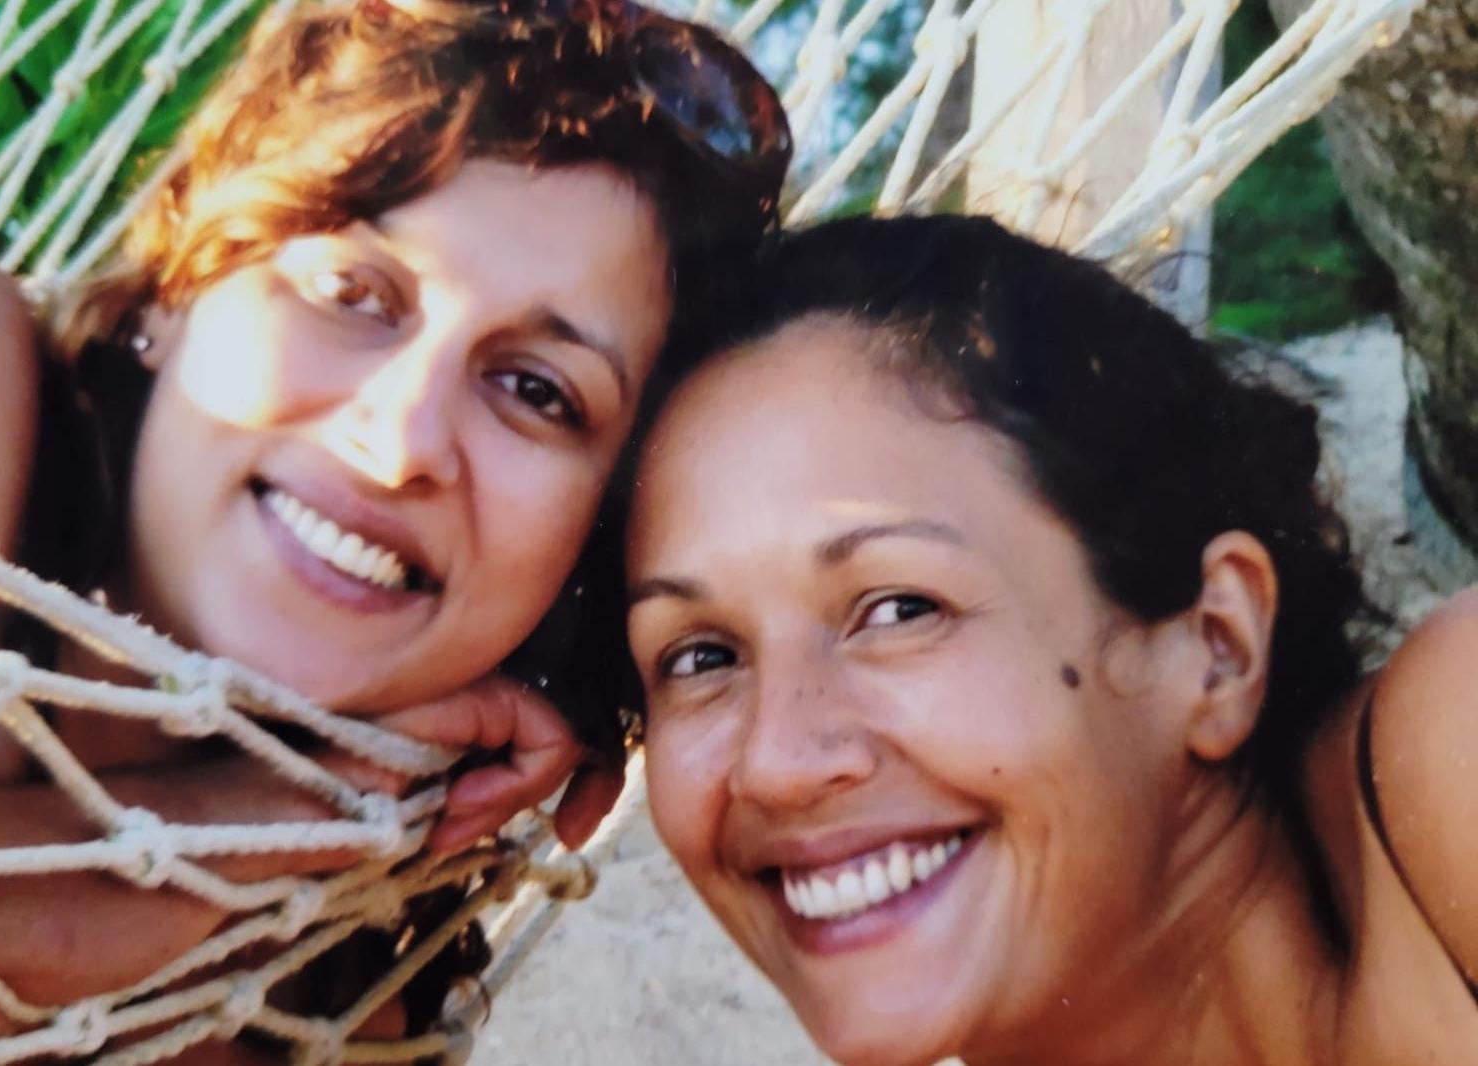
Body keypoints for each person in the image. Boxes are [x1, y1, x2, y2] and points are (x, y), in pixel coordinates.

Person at [0, 0, 788, 1052]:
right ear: (174, 288)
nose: (399, 438)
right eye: (354, 293)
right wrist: (255, 822)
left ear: (588, 545)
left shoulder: (355, 991)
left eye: (537, 391)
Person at [624, 214, 1478, 1066]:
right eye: (702, 658)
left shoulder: (1449, 754)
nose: (776, 764)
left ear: (1217, 645)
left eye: (899, 609)